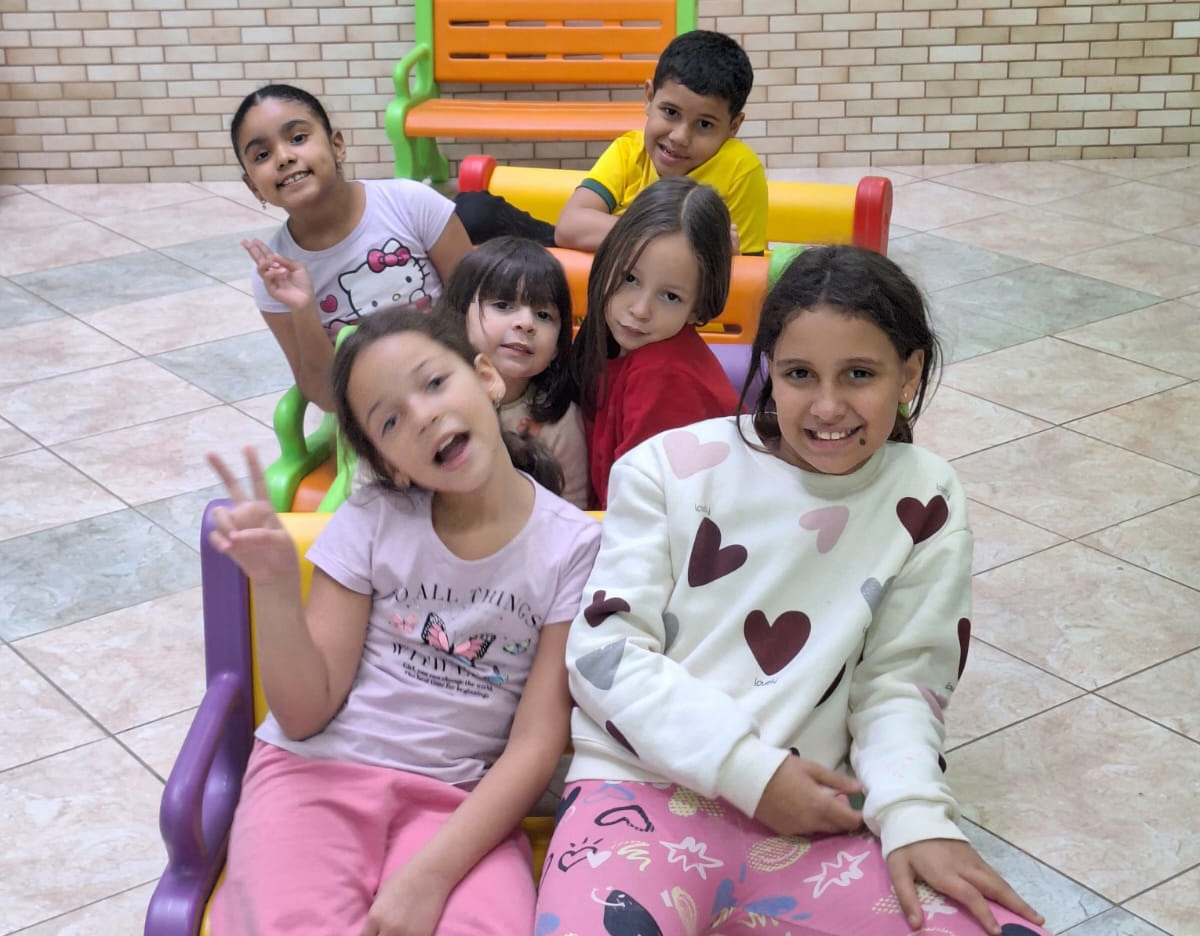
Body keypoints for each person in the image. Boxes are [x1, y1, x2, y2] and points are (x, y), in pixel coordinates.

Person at [536, 246, 1051, 936]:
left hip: (820, 819)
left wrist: (915, 816)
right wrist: (749, 773)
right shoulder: (665, 469)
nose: (828, 406)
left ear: (909, 373)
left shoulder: (925, 494)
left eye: (860, 374)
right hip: (640, 792)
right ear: (768, 370)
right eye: (799, 374)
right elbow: (606, 655)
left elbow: (901, 682)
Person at [206, 307, 601, 936]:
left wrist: (431, 875)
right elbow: (305, 715)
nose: (421, 415)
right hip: (317, 779)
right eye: (389, 421)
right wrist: (276, 587)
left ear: (487, 378)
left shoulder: (573, 548)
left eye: (435, 383)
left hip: (461, 806)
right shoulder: (371, 517)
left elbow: (535, 742)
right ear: (389, 463)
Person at [231, 83, 472, 411]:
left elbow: (478, 316)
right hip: (377, 416)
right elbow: (327, 398)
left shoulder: (412, 204)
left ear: (337, 145)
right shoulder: (275, 276)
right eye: (262, 155)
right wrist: (303, 310)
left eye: (298, 138)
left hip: (456, 385)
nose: (284, 157)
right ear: (252, 186)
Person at [454, 30, 767, 256]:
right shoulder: (628, 150)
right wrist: (687, 238)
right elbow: (570, 227)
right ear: (649, 98)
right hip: (606, 269)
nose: (679, 137)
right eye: (670, 112)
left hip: (673, 296)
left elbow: (742, 277)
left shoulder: (740, 169)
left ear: (733, 126)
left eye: (704, 125)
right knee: (474, 210)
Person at [570, 176, 740, 507]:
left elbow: (641, 505)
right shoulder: (610, 341)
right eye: (629, 278)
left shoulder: (661, 376)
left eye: (670, 296)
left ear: (698, 307)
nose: (640, 309)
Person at [435, 236, 589, 509]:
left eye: (544, 315)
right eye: (503, 305)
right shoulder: (429, 401)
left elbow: (574, 510)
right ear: (458, 317)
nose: (526, 323)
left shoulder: (559, 421)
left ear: (557, 346)